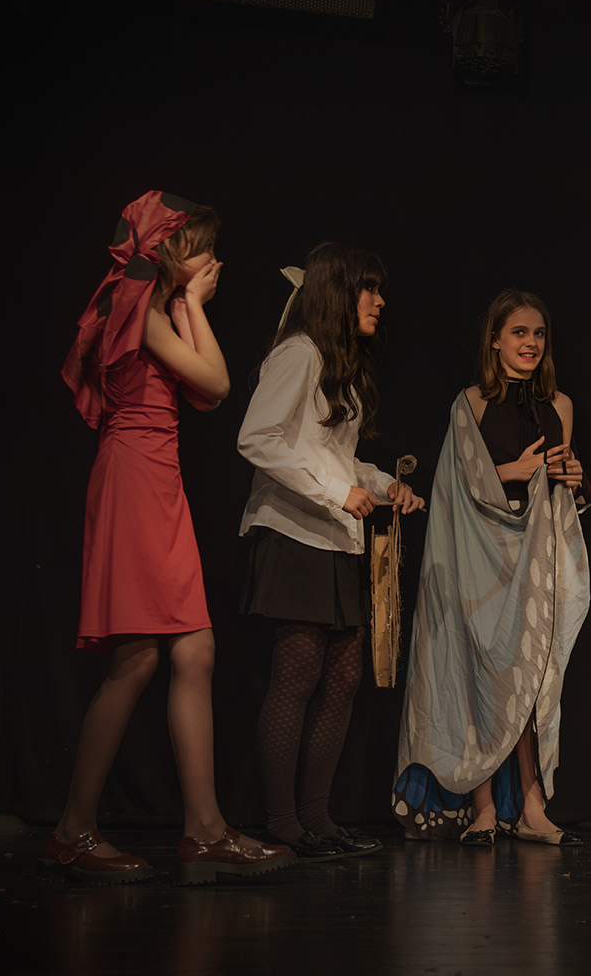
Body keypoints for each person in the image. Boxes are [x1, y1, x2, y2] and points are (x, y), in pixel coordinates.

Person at [41, 191, 293, 887]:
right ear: (171, 248)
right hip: (133, 477)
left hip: (159, 475)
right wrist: (193, 304)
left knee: (194, 651)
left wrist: (187, 305)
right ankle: (72, 829)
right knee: (138, 659)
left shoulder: (156, 308)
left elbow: (206, 395)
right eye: (202, 247)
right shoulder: (135, 305)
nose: (213, 260)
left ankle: (204, 829)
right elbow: (215, 379)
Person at [237, 242, 424, 862]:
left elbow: (333, 457)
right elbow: (257, 438)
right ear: (337, 293)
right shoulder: (298, 352)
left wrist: (381, 485)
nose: (380, 301)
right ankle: (282, 823)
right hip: (295, 534)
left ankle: (318, 817)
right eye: (368, 288)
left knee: (344, 678)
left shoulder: (337, 365)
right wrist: (336, 493)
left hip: (335, 536)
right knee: (296, 676)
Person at [393, 290, 591, 847]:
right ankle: (483, 810)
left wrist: (574, 479)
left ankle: (532, 807)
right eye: (519, 333)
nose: (531, 343)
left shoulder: (561, 406)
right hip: (481, 561)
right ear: (496, 341)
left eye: (538, 333)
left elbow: (561, 490)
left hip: (535, 563)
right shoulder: (472, 403)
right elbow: (455, 484)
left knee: (528, 681)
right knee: (481, 675)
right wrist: (512, 471)